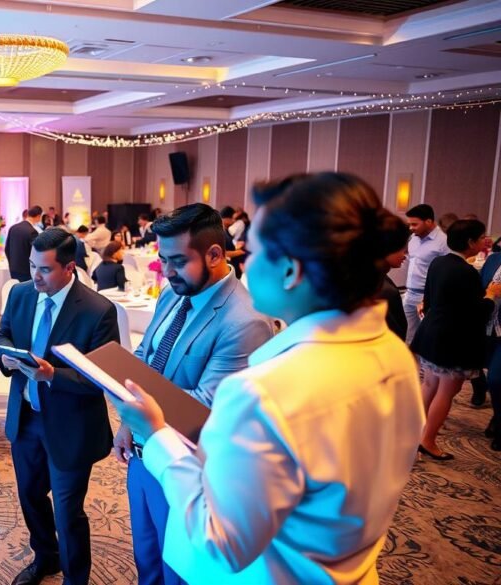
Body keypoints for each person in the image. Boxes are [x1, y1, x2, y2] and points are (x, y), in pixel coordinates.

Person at [111, 172, 425, 584]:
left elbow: (221, 542)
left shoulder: (266, 390)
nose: (243, 261)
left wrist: (156, 435)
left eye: (253, 252)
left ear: (292, 271)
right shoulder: (392, 354)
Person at [113, 201, 273, 585]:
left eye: (177, 261)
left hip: (191, 470)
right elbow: (144, 357)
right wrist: (126, 423)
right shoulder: (173, 294)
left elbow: (205, 409)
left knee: (178, 572)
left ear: (215, 254)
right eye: (162, 259)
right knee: (146, 562)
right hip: (143, 454)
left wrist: (142, 415)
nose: (166, 272)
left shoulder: (245, 320)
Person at [0, 228, 120, 585]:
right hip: (26, 418)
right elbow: (1, 335)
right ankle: (45, 558)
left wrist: (52, 375)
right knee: (30, 497)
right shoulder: (20, 294)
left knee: (67, 512)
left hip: (71, 426)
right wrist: (9, 356)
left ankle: (75, 578)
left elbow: (101, 379)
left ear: (69, 268)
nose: (35, 275)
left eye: (45, 269)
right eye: (33, 265)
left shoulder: (97, 310)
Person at [410, 219, 501, 460]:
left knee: (429, 384)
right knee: (446, 391)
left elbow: (428, 299)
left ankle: (414, 433)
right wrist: (490, 295)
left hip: (430, 332)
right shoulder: (466, 272)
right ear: (470, 242)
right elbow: (476, 312)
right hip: (452, 339)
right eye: (482, 238)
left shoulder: (439, 262)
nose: (485, 242)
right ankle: (428, 440)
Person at [403, 204, 449, 343]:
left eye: (414, 224)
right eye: (409, 224)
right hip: (409, 293)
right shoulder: (413, 239)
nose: (411, 228)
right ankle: (409, 364)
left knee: (426, 337)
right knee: (408, 335)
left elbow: (447, 272)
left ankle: (423, 365)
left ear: (428, 222)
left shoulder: (443, 242)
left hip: (426, 297)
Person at [480, 248, 501, 450]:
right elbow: (479, 287)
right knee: (489, 375)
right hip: (489, 330)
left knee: (496, 379)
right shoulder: (494, 259)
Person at [378, 215, 411, 340]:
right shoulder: (383, 290)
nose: (405, 255)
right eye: (403, 249)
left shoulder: (379, 280)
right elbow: (394, 335)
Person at [5, 205, 43, 282]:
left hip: (13, 269)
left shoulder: (13, 228)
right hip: (26, 271)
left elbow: (7, 249)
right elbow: (36, 252)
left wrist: (11, 264)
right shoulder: (32, 231)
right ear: (39, 216)